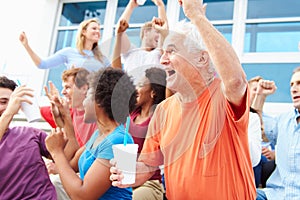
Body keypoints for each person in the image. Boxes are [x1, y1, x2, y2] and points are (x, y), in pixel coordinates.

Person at [110, 0, 256, 199]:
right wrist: (133, 172)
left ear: (202, 59)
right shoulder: (162, 111)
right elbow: (149, 164)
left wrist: (196, 15)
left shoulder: (223, 96)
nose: (162, 60)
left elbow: (236, 80)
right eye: (163, 53)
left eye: (171, 51)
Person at [45, 67, 137, 199]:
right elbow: (70, 166)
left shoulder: (118, 139)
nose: (84, 102)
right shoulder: (99, 135)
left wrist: (56, 152)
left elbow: (83, 195)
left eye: (88, 96)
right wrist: (65, 117)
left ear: (99, 101)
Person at [0, 76, 57, 199]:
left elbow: (67, 158)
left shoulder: (31, 134)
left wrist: (63, 121)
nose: (3, 107)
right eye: (2, 102)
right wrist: (8, 113)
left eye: (8, 102)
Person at [255, 67, 300, 199]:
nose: (293, 89)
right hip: (275, 195)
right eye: (292, 84)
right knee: (238, 193)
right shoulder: (283, 120)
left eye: (299, 83)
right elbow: (256, 127)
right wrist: (260, 95)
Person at [129, 67, 166, 200]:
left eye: (140, 85)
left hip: (149, 184)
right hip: (125, 179)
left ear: (153, 92)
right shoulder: (132, 113)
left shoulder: (158, 118)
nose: (135, 89)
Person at [19, 18, 110, 71]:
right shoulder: (69, 52)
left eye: (99, 29)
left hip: (95, 101)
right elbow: (42, 64)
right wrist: (26, 46)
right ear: (84, 32)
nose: (98, 31)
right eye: (94, 28)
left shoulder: (103, 59)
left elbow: (115, 79)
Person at [113, 0, 168, 85]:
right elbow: (120, 31)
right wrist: (131, 5)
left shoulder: (159, 54)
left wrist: (160, 5)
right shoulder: (130, 52)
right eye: (157, 31)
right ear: (146, 32)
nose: (159, 35)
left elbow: (165, 32)